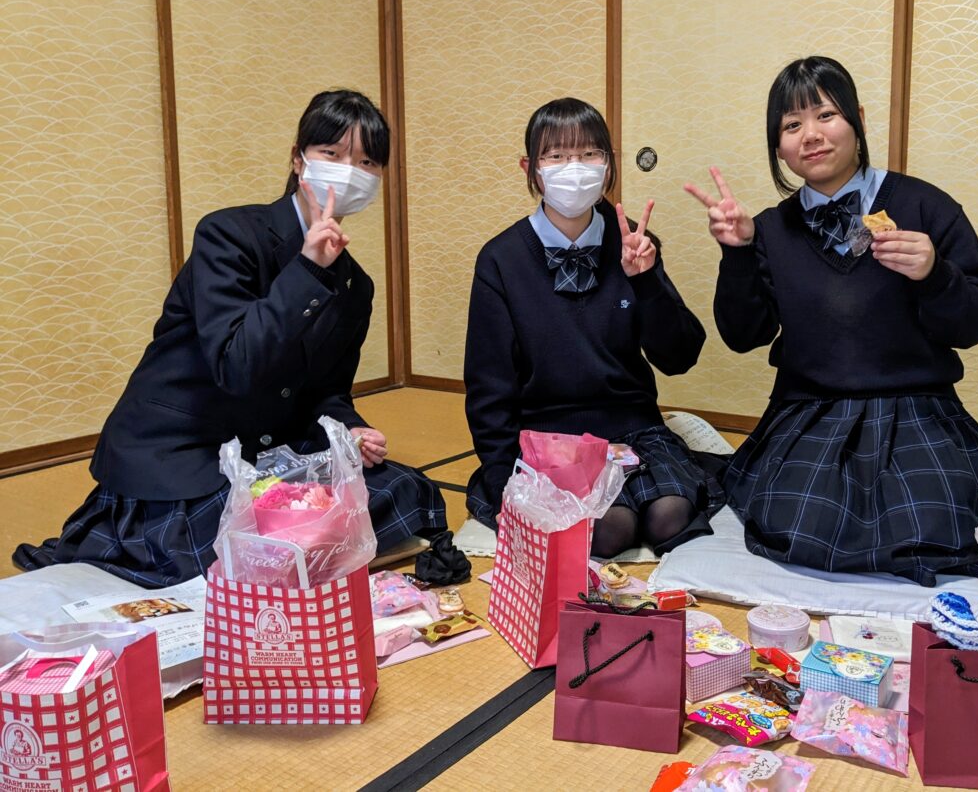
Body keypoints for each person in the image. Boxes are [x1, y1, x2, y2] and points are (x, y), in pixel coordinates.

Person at [13, 90, 448, 587]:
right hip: (187, 448)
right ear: (299, 159)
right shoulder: (228, 235)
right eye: (333, 154)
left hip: (266, 452)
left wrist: (350, 430)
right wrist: (307, 269)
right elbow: (237, 365)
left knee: (407, 490)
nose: (350, 172)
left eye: (367, 162)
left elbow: (328, 392)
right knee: (243, 542)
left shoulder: (355, 285)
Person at [684, 56, 978, 586]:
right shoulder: (771, 229)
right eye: (792, 125)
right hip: (810, 413)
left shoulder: (925, 206)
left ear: (857, 120)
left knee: (939, 525)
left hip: (916, 411)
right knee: (799, 530)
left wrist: (935, 274)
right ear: (778, 146)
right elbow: (743, 336)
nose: (810, 135)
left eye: (826, 115)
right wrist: (738, 252)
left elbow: (977, 322)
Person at [464, 97, 723, 558]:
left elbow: (680, 356)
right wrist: (506, 483)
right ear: (530, 168)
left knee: (670, 515)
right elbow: (489, 388)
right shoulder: (501, 259)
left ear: (607, 165)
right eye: (556, 156)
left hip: (633, 427)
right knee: (609, 529)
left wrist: (646, 281)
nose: (574, 168)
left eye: (589, 154)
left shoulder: (633, 244)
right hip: (549, 438)